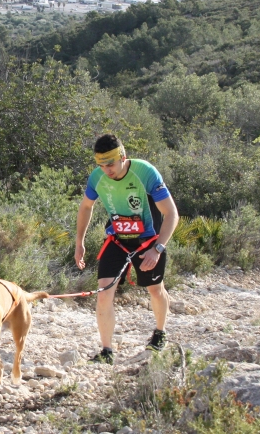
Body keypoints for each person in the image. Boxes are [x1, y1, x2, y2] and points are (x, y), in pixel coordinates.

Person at [75, 134, 179, 364]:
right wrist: (79, 242)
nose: (106, 170)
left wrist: (158, 249)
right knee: (104, 293)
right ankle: (106, 351)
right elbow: (85, 207)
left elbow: (171, 213)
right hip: (117, 240)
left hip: (148, 241)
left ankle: (160, 332)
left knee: (155, 289)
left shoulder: (145, 173)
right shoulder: (97, 178)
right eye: (101, 165)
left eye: (110, 164)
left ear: (123, 157)